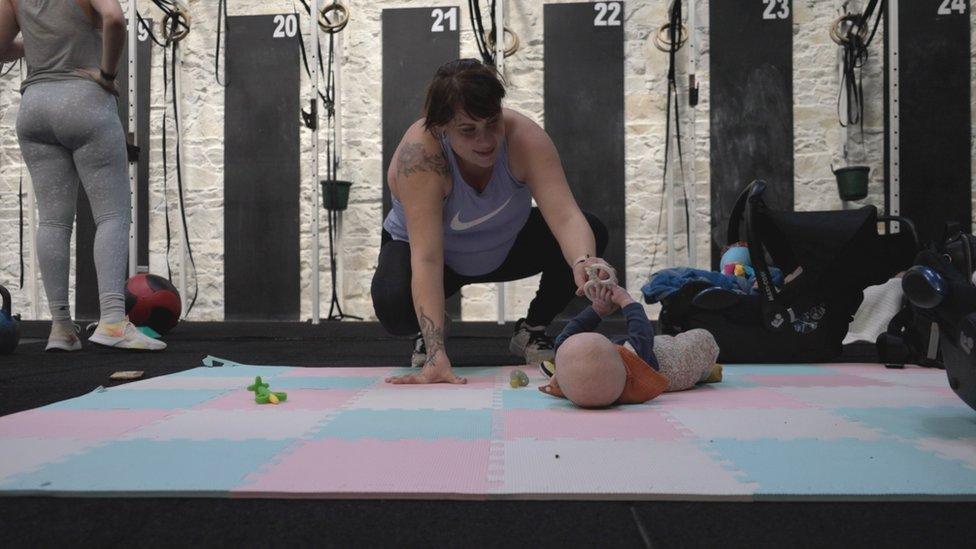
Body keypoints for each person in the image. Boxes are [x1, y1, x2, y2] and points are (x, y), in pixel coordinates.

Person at [372, 58, 609, 384]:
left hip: (504, 244)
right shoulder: (421, 156)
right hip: (437, 259)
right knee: (393, 307)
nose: (485, 142)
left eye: (491, 124)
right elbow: (427, 258)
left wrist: (584, 260)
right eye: (468, 130)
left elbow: (566, 216)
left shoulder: (524, 138)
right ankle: (431, 330)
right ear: (441, 126)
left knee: (590, 230)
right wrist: (436, 350)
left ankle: (532, 330)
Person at [0, 0, 164, 351]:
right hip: (84, 100)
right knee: (112, 215)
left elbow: (0, 48)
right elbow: (115, 19)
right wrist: (106, 74)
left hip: (35, 107)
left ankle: (61, 328)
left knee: (53, 221)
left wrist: (42, 40)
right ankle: (113, 322)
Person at [540, 282, 722, 408]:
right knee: (702, 339)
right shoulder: (633, 358)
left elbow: (566, 337)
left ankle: (704, 372)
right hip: (674, 361)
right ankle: (706, 372)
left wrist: (597, 310)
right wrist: (626, 301)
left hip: (653, 349)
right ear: (624, 366)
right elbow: (642, 330)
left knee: (656, 341)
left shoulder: (577, 384)